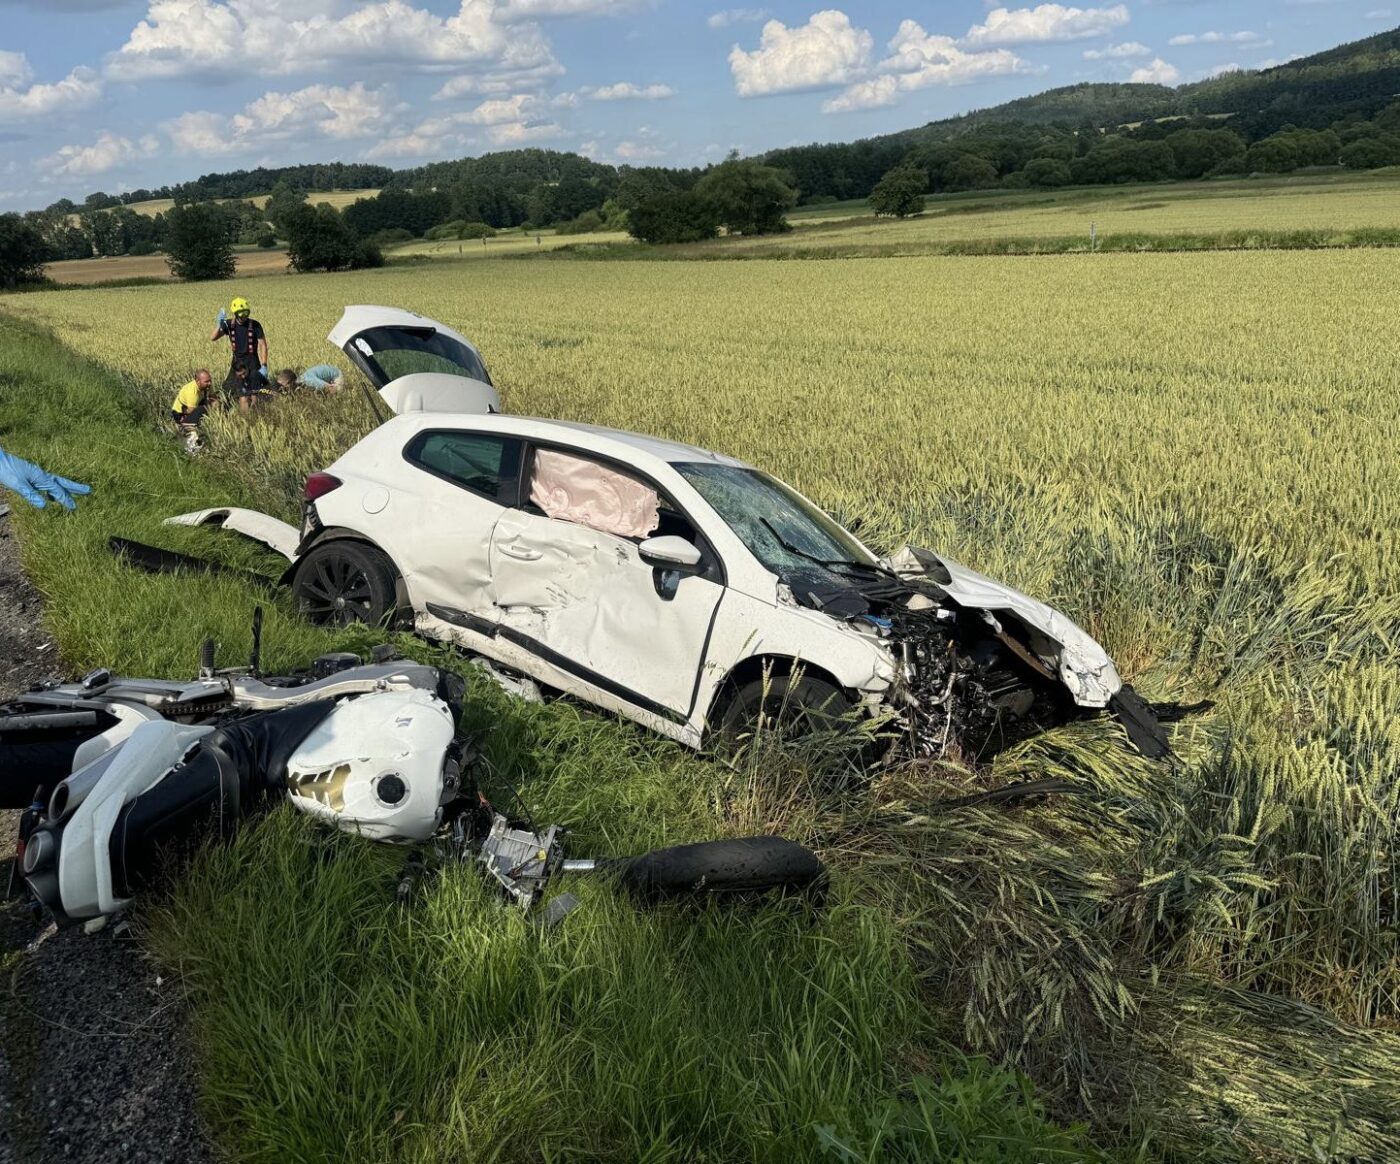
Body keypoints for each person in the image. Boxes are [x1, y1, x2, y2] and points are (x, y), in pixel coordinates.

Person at [210, 296, 269, 396]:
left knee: (258, 391)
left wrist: (264, 365)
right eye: (241, 315)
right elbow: (213, 338)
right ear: (235, 314)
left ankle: (258, 409)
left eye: (246, 313)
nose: (244, 317)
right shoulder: (229, 324)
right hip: (237, 362)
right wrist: (219, 325)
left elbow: (263, 345)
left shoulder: (255, 325)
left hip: (252, 362)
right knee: (229, 390)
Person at [0, 447, 90, 510]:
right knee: (50, 481)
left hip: (9, 474)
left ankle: (76, 504)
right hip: (12, 466)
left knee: (48, 483)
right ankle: (85, 492)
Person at [171, 369, 215, 452]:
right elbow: (191, 411)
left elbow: (213, 398)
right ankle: (190, 447)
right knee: (204, 409)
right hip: (180, 414)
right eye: (206, 381)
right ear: (198, 381)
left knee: (207, 407)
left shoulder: (207, 386)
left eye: (210, 380)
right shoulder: (191, 391)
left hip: (194, 408)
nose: (209, 383)